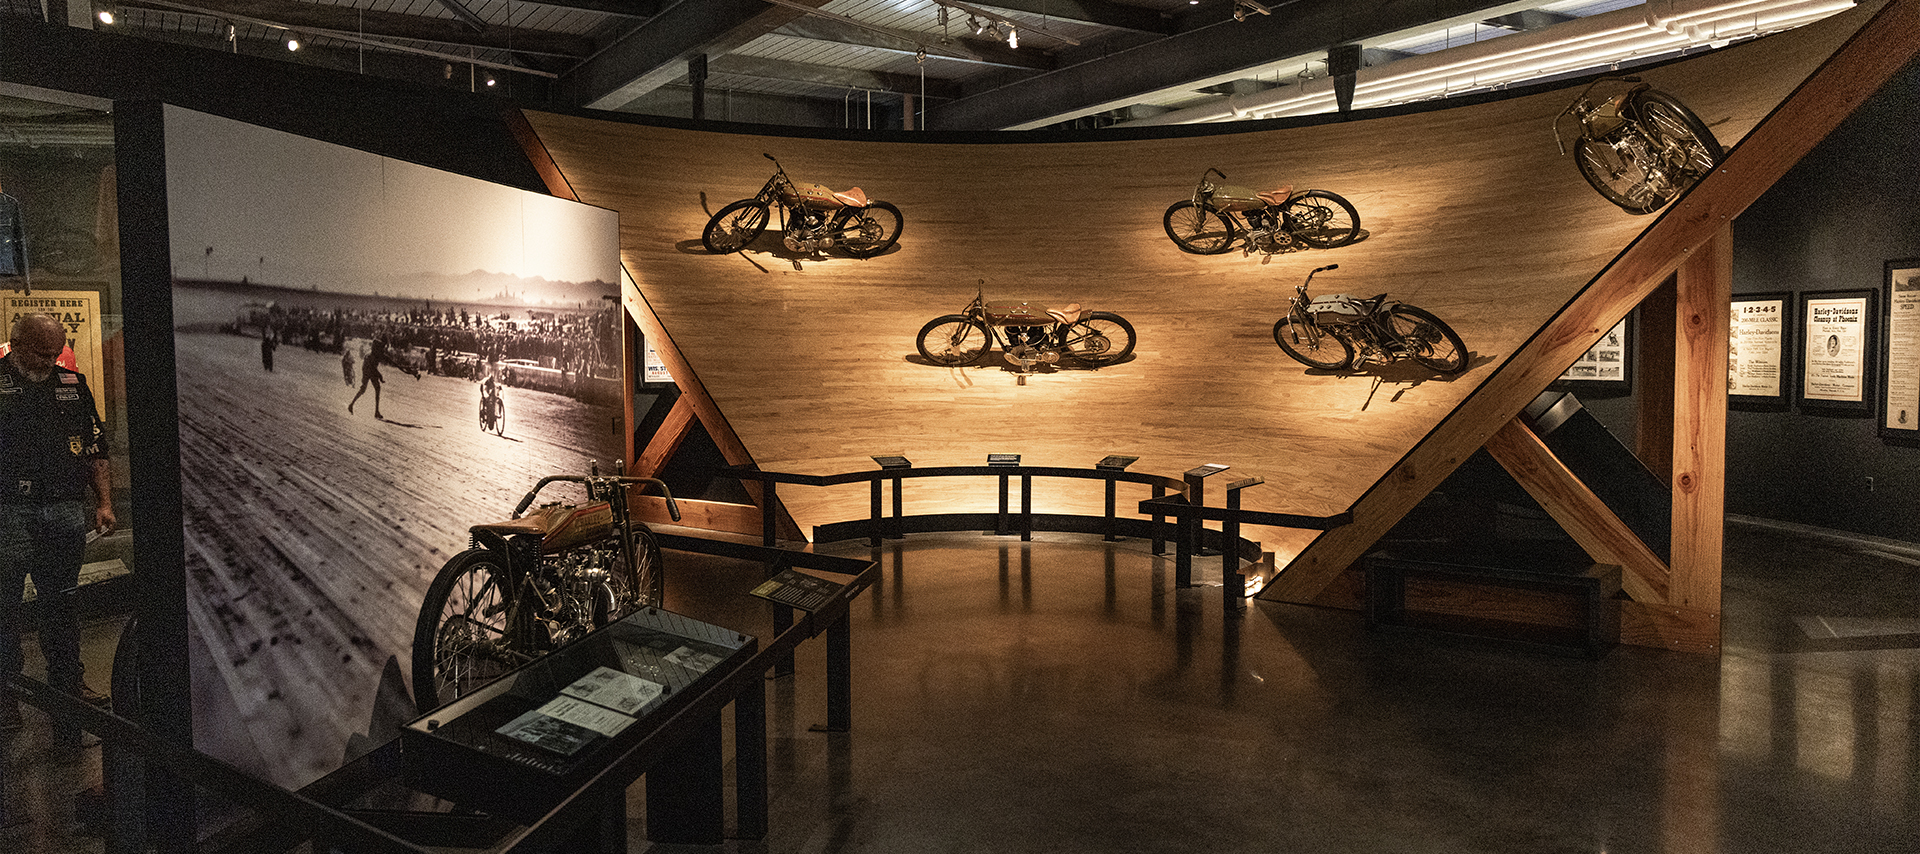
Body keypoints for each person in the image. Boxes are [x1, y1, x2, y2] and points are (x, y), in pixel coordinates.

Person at [0, 313, 115, 736]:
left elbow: (95, 448)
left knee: (62, 603)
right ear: (14, 343)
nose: (48, 360)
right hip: (8, 509)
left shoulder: (72, 386)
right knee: (4, 606)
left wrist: (103, 502)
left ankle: (67, 685)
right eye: (39, 352)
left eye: (55, 352)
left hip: (64, 508)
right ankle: (6, 695)